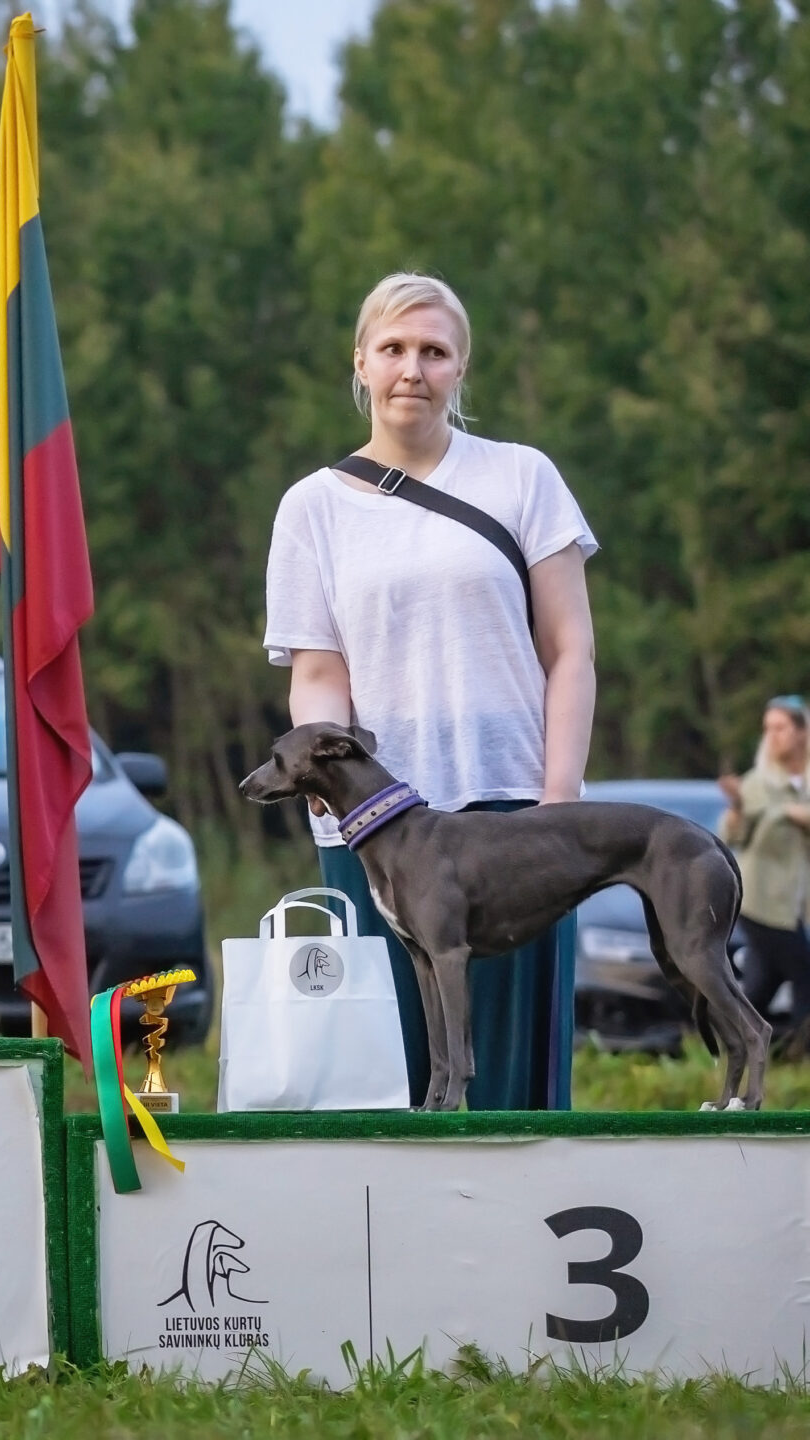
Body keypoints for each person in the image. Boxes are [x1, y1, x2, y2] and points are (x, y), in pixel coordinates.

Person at [264, 272, 599, 1110]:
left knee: (511, 1082)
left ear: (460, 369)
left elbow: (572, 650)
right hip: (379, 824)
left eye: (434, 351)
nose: (412, 367)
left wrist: (558, 803)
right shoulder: (312, 508)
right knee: (394, 1072)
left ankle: (529, 1236)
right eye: (394, 349)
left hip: (513, 812)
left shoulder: (523, 478)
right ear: (362, 365)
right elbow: (318, 668)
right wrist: (319, 775)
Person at [722, 696, 810, 1045]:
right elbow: (732, 836)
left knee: (762, 983)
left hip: (795, 902)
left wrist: (790, 812)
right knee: (805, 975)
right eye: (767, 729)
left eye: (780, 728)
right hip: (761, 899)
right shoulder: (759, 782)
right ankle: (802, 1054)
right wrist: (738, 811)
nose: (772, 736)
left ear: (801, 732)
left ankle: (732, 1043)